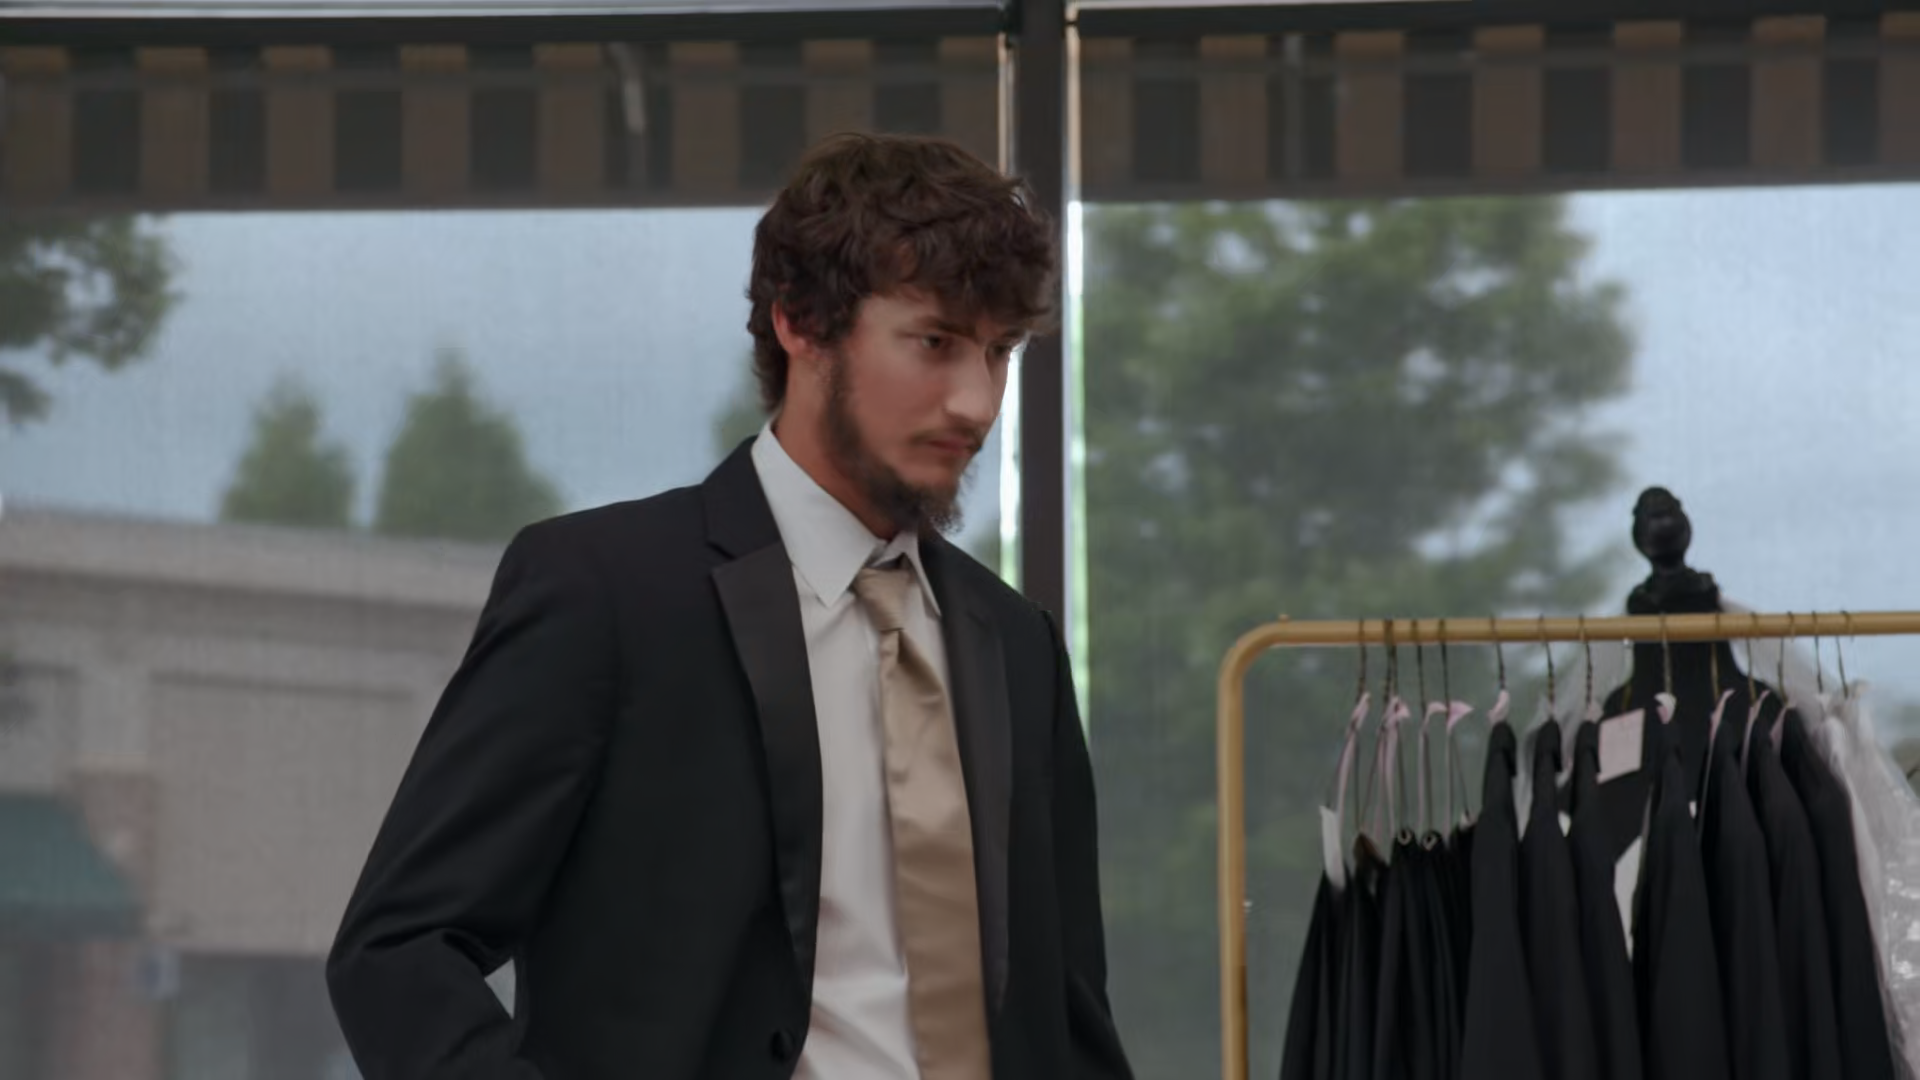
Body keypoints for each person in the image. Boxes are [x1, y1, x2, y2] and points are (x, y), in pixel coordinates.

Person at [325, 132, 1135, 1080]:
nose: (977, 402)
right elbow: (399, 951)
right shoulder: (605, 592)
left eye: (999, 352)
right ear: (801, 322)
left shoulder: (1019, 644)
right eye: (936, 342)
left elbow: (1070, 1018)